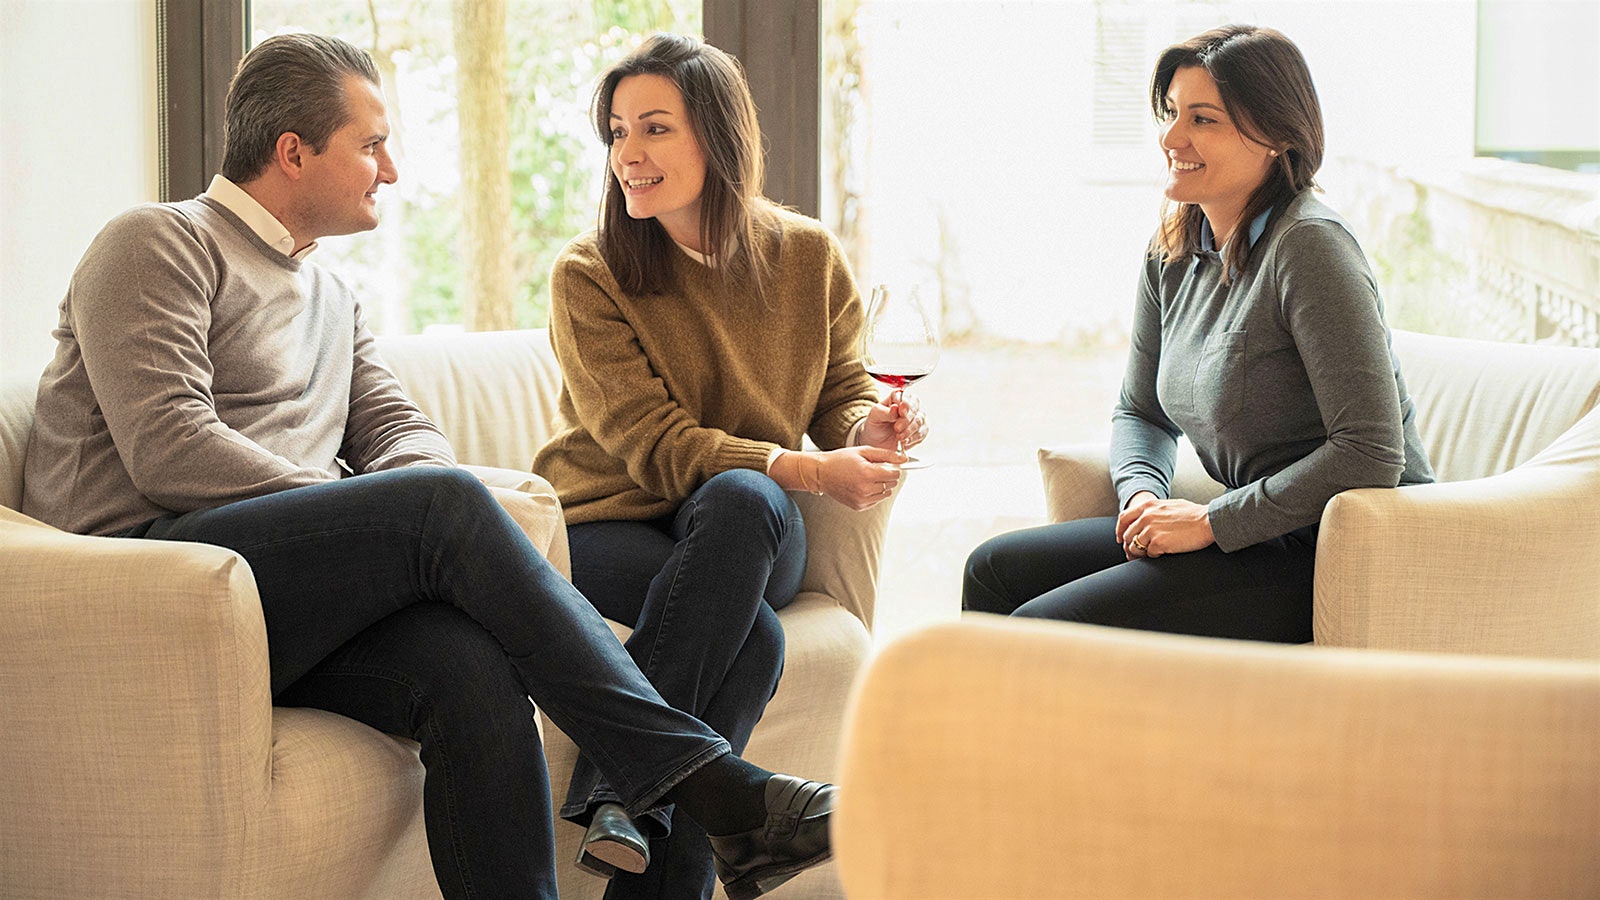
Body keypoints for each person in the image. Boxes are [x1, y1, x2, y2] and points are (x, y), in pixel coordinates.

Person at [22, 32, 835, 900]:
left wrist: (374, 521)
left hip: (280, 592)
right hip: (154, 580)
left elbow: (405, 434)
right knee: (437, 507)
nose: (392, 171)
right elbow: (171, 448)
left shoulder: (331, 295)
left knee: (467, 667)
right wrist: (372, 518)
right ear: (292, 153)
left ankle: (676, 820)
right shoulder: (158, 243)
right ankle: (718, 789)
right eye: (371, 146)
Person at [530, 33, 926, 900]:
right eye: (616, 131)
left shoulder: (806, 257)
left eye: (655, 129)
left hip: (747, 529)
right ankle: (704, 858)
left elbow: (841, 394)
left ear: (718, 136)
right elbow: (656, 445)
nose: (628, 155)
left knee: (744, 497)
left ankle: (615, 786)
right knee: (754, 640)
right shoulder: (589, 275)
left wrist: (874, 427)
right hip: (610, 523)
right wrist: (815, 473)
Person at [963, 24, 1434, 641]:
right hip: (1252, 535)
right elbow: (1141, 411)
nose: (1171, 137)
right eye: (1170, 113)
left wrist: (1212, 522)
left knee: (1043, 628)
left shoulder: (1310, 248)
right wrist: (1141, 502)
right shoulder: (1176, 248)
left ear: (1275, 136)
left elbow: (1371, 451)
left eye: (1203, 119)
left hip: (1339, 548)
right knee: (993, 570)